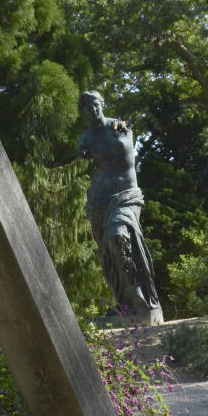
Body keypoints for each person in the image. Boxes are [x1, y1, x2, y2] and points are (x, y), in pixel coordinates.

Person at [77, 90, 163, 323]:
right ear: (82, 111)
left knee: (118, 236)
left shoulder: (119, 127)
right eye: (86, 107)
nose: (92, 110)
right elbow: (82, 154)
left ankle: (140, 295)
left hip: (126, 196)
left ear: (102, 104)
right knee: (108, 253)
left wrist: (114, 142)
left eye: (95, 105)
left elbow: (126, 153)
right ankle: (126, 304)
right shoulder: (84, 138)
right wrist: (83, 152)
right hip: (98, 203)